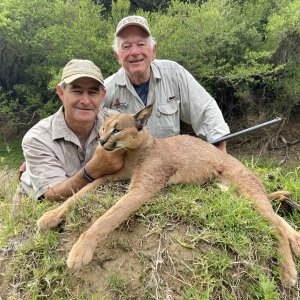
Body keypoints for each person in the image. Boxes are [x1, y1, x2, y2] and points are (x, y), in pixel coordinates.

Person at [104, 15, 230, 152]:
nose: (134, 52)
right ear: (117, 56)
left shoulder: (174, 73)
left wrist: (219, 148)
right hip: (129, 168)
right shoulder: (106, 88)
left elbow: (205, 109)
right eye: (126, 46)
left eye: (141, 44)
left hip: (170, 166)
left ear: (153, 51)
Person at [14, 59, 124, 203]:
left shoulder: (118, 123)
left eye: (93, 92)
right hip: (35, 207)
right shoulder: (37, 138)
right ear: (61, 92)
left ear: (102, 95)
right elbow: (52, 195)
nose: (85, 101)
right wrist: (92, 170)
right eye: (77, 91)